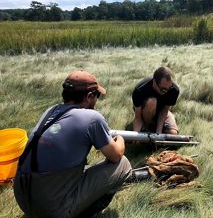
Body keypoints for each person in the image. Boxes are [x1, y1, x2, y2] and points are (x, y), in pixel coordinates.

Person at [13, 70, 132, 218]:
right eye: (97, 96)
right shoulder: (92, 118)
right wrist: (120, 139)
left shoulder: (50, 111)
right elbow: (116, 155)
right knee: (123, 165)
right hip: (50, 210)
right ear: (89, 96)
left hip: (24, 199)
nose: (97, 100)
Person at [132, 66, 179, 135]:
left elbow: (165, 111)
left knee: (173, 133)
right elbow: (138, 117)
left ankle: (156, 128)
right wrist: (136, 135)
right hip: (144, 111)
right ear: (154, 82)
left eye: (169, 88)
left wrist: (158, 132)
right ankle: (146, 127)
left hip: (161, 111)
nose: (166, 91)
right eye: (163, 89)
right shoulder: (140, 90)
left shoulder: (174, 90)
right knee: (152, 102)